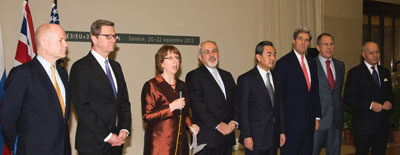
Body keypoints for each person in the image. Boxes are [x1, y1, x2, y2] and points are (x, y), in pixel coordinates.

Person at [0, 23, 71, 154]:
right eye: (61, 40)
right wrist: (20, 145)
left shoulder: (62, 74)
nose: (65, 44)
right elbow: (8, 116)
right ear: (44, 43)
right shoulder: (22, 74)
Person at [70, 19, 132, 155]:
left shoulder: (116, 67)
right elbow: (82, 107)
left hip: (117, 143)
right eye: (108, 36)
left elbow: (123, 101)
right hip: (93, 144)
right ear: (94, 38)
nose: (113, 40)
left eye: (114, 36)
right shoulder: (81, 67)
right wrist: (108, 136)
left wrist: (124, 129)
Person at [141, 45, 199, 155]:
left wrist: (190, 126)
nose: (175, 61)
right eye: (170, 58)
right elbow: (147, 116)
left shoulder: (182, 85)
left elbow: (185, 113)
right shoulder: (152, 85)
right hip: (160, 144)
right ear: (161, 63)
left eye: (177, 58)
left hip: (181, 143)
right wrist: (171, 107)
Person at [185, 40, 239, 155]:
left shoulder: (227, 76)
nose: (212, 54)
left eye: (214, 51)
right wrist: (218, 124)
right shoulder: (193, 76)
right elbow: (197, 106)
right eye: (206, 52)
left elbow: (236, 102)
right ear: (200, 57)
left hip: (227, 138)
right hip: (207, 139)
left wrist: (234, 121)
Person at [274, 27, 321, 155]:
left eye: (307, 40)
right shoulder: (283, 63)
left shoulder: (312, 63)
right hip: (291, 124)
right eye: (300, 39)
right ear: (294, 41)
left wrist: (317, 116)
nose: (303, 42)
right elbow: (278, 96)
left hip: (309, 122)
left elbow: (315, 92)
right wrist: (281, 126)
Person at [344, 41, 394, 155]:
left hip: (382, 125)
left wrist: (389, 102)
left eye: (377, 52)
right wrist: (370, 105)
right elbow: (348, 98)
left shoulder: (385, 72)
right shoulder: (355, 72)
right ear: (363, 55)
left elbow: (390, 94)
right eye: (371, 53)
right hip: (364, 126)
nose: (375, 55)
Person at [238, 41, 286, 155]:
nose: (273, 58)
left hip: (273, 135)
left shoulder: (277, 77)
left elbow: (280, 107)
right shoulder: (246, 79)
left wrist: (282, 131)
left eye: (274, 54)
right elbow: (243, 109)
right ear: (258, 57)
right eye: (269, 54)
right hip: (255, 137)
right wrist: (247, 135)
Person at [312, 33, 345, 155]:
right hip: (318, 119)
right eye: (325, 44)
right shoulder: (311, 65)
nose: (329, 47)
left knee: (335, 151)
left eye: (331, 44)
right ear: (318, 47)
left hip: (336, 118)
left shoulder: (340, 65)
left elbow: (336, 92)